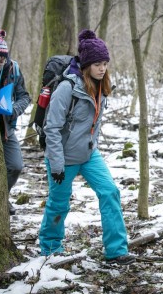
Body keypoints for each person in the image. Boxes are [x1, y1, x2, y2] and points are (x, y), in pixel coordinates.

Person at [39, 29, 134, 265]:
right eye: (97, 64)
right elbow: (52, 128)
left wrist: (92, 147)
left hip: (89, 155)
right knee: (59, 203)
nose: (102, 68)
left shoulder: (101, 86)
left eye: (105, 63)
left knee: (110, 192)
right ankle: (50, 249)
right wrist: (57, 165)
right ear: (85, 64)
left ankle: (116, 251)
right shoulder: (67, 89)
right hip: (62, 158)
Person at [0, 30, 31, 215]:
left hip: (6, 128)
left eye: (2, 60)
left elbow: (24, 96)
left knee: (15, 166)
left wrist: (14, 109)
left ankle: (0, 199)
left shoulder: (13, 69)